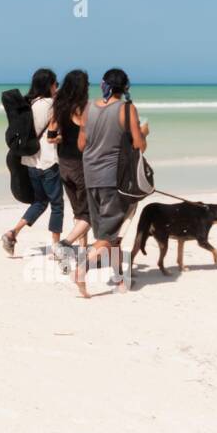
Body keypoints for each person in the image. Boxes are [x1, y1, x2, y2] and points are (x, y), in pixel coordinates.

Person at [73, 67, 148, 298]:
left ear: (103, 85)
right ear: (125, 88)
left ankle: (119, 279)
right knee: (109, 235)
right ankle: (83, 268)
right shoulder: (127, 108)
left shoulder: (88, 108)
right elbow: (139, 145)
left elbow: (81, 145)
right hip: (114, 179)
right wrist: (144, 132)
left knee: (107, 234)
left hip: (91, 177)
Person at [1, 68, 64, 255]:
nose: (56, 87)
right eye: (55, 84)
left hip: (30, 161)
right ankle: (56, 246)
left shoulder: (28, 104)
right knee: (57, 204)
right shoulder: (51, 104)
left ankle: (12, 233)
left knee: (40, 201)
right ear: (49, 85)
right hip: (48, 160)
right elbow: (56, 131)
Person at [47, 70, 90, 262]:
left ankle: (83, 249)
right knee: (87, 212)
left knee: (77, 210)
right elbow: (86, 137)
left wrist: (61, 138)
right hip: (80, 165)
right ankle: (70, 245)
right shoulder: (83, 108)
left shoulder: (59, 107)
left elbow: (50, 136)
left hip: (63, 165)